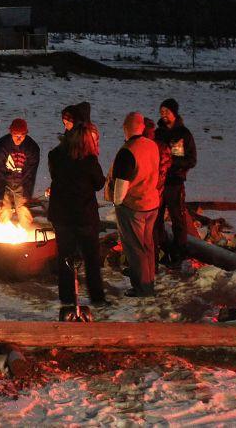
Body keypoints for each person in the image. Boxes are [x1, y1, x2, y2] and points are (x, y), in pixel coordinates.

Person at [48, 117, 107, 318]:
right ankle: (96, 295)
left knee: (64, 255)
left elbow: (55, 175)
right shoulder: (89, 160)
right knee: (91, 256)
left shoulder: (56, 155)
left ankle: (66, 296)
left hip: (62, 216)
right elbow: (99, 183)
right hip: (84, 217)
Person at [106, 112, 161, 297]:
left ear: (125, 128)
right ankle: (149, 280)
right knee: (148, 245)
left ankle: (142, 288)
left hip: (134, 206)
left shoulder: (128, 151)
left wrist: (117, 203)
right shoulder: (152, 146)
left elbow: (122, 184)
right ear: (142, 127)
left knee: (135, 248)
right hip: (152, 203)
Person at [153, 98, 198, 268]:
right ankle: (164, 249)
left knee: (177, 218)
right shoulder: (158, 134)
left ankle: (180, 252)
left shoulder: (184, 134)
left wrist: (174, 163)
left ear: (174, 113)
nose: (164, 115)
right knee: (156, 218)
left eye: (167, 112)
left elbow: (192, 160)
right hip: (159, 182)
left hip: (175, 182)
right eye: (161, 112)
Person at [0, 118, 40, 227]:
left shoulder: (32, 147)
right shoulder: (1, 146)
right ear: (10, 132)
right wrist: (0, 198)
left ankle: (26, 238)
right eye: (16, 134)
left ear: (26, 133)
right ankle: (1, 238)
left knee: (23, 211)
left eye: (22, 135)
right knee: (4, 210)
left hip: (22, 182)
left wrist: (26, 197)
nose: (19, 138)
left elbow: (30, 174)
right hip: (5, 182)